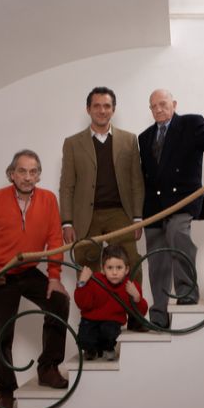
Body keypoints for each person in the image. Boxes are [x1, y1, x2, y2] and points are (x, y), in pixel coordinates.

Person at [0, 149, 70, 408]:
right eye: (22, 171)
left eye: (33, 171)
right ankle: (5, 392)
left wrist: (54, 277)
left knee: (59, 301)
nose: (28, 177)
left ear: (39, 175)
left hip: (28, 270)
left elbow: (55, 240)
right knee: (1, 333)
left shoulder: (48, 199)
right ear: (11, 174)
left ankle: (48, 368)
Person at [138, 89, 204, 329]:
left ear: (173, 104)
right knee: (156, 258)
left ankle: (186, 293)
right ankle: (159, 313)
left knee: (178, 233)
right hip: (153, 206)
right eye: (153, 106)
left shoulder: (191, 123)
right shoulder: (144, 137)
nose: (159, 109)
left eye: (163, 104)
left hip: (183, 199)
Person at [59, 86, 148, 331]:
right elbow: (67, 185)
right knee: (88, 270)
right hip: (86, 218)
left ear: (113, 110)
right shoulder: (72, 143)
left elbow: (136, 182)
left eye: (107, 106)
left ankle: (135, 318)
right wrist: (66, 221)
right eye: (97, 106)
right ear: (88, 109)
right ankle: (93, 325)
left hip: (121, 213)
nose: (102, 110)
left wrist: (138, 217)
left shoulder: (129, 140)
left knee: (132, 261)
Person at [74, 244, 148, 361]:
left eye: (119, 268)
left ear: (126, 269)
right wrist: (82, 282)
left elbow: (141, 312)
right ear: (103, 269)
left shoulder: (130, 285)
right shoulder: (95, 280)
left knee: (109, 331)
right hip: (90, 320)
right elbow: (82, 303)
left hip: (112, 321)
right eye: (110, 268)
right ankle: (90, 349)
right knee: (84, 339)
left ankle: (107, 347)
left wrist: (137, 297)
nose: (114, 272)